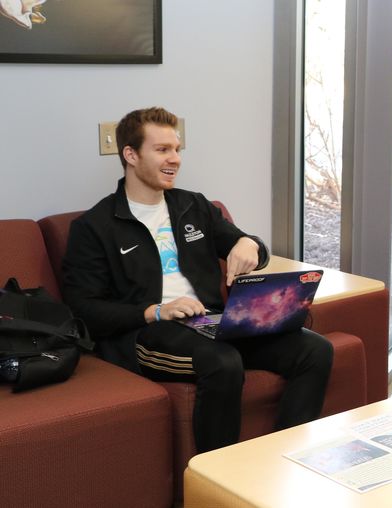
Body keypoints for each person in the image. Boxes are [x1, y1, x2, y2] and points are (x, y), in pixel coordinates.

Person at [62, 107, 334, 453]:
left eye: (177, 149)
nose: (174, 159)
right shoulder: (94, 227)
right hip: (148, 332)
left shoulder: (194, 206)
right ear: (130, 155)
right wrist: (156, 311)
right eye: (162, 150)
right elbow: (84, 310)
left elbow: (253, 248)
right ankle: (217, 479)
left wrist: (248, 244)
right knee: (223, 361)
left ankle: (286, 456)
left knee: (315, 349)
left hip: (212, 322)